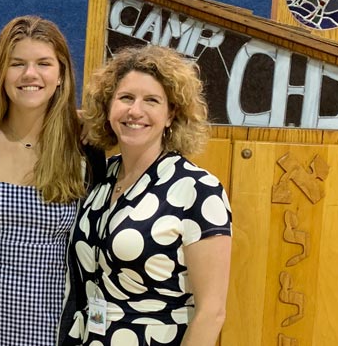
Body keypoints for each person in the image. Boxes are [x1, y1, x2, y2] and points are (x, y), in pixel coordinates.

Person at [0, 15, 106, 346]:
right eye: (17, 63)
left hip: (56, 330)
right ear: (0, 73)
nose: (30, 74)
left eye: (44, 63)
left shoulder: (83, 147)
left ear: (61, 74)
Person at [69, 45, 231, 346]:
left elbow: (212, 311)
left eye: (152, 101)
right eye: (126, 98)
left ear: (171, 114)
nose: (135, 111)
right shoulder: (102, 176)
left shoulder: (197, 189)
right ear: (108, 106)